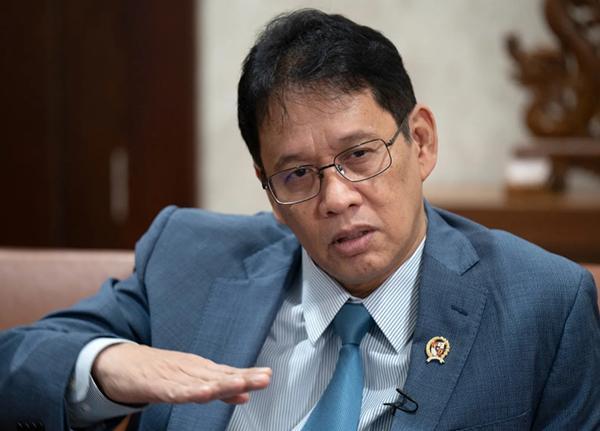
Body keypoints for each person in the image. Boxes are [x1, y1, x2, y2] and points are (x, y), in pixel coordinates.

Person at [1, 8, 599, 431]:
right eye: (297, 174)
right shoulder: (189, 260)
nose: (336, 198)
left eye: (359, 155)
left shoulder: (541, 304)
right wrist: (109, 365)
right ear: (268, 188)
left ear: (420, 142)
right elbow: (16, 365)